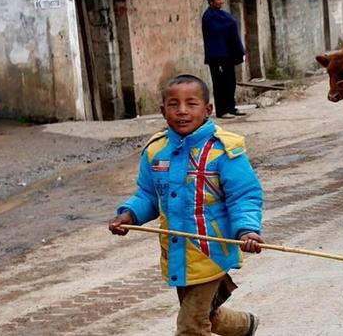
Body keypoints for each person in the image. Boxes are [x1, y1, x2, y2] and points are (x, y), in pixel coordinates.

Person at [109, 74, 263, 336]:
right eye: (173, 104)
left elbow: (244, 195)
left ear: (207, 109)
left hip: (210, 252)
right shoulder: (156, 151)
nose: (182, 111)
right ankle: (245, 326)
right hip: (177, 252)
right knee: (206, 317)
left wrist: (247, 230)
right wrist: (129, 215)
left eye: (191, 104)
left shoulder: (223, 151)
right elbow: (148, 194)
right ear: (162, 110)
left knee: (190, 326)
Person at [202, 0, 246, 119]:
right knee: (220, 84)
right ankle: (222, 110)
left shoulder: (223, 14)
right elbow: (219, 34)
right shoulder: (209, 17)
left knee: (230, 82)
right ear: (211, 1)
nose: (221, 1)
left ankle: (231, 108)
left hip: (227, 56)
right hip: (217, 56)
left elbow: (231, 31)